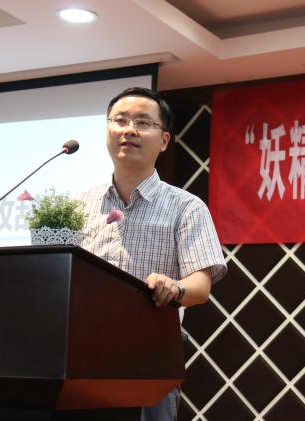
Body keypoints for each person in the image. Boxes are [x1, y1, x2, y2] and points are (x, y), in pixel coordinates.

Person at [78, 87, 227, 421]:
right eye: (120, 121)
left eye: (143, 123)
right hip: (82, 355)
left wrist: (175, 286)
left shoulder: (186, 207)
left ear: (164, 140)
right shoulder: (79, 206)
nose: (129, 130)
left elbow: (201, 286)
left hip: (149, 357)